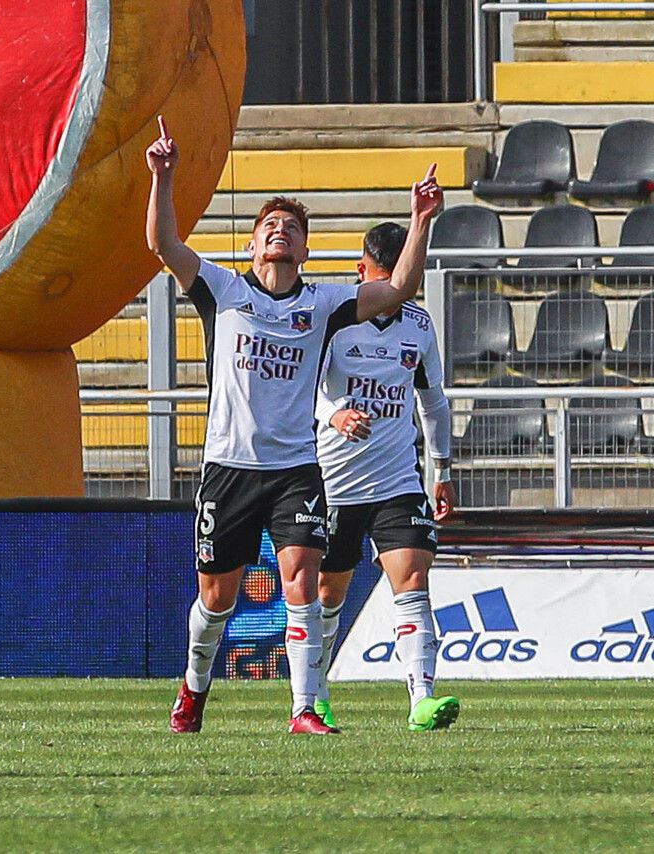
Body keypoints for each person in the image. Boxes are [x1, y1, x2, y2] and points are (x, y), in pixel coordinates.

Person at [145, 116, 442, 735]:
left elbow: (399, 289)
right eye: (269, 226)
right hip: (229, 469)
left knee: (301, 576)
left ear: (305, 249)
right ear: (254, 245)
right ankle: (193, 690)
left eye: (293, 228)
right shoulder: (223, 290)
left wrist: (420, 221)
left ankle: (304, 708)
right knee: (217, 599)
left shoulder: (325, 303)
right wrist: (164, 177)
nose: (280, 232)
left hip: (297, 471)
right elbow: (163, 245)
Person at [312, 222, 459, 732]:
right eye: (383, 279)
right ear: (363, 274)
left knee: (413, 577)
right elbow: (300, 388)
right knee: (329, 594)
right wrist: (333, 414)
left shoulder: (418, 325)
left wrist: (441, 468)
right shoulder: (332, 319)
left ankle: (422, 698)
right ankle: (316, 693)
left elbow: (432, 399)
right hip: (335, 481)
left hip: (397, 479)